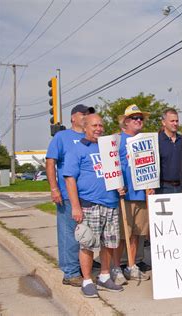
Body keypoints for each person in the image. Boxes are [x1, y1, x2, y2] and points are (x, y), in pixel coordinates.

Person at [63, 113, 123, 298]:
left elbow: (115, 172)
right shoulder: (77, 150)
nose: (98, 129)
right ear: (85, 127)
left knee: (109, 244)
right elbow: (70, 179)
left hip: (111, 203)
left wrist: (121, 187)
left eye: (101, 125)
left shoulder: (108, 148)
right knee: (87, 244)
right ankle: (87, 280)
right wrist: (75, 207)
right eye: (94, 125)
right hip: (89, 204)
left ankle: (104, 276)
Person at [46, 104, 95, 287]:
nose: (86, 117)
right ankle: (71, 272)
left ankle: (84, 267)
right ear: (73, 117)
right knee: (69, 234)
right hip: (67, 194)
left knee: (86, 234)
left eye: (88, 114)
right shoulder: (62, 137)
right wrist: (54, 188)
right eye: (83, 114)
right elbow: (50, 162)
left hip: (89, 196)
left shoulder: (90, 137)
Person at [112, 105, 152, 285]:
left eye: (140, 118)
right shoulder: (117, 140)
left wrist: (150, 186)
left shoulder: (146, 141)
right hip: (124, 195)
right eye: (134, 118)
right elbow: (111, 167)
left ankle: (131, 265)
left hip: (141, 194)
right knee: (122, 234)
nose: (138, 121)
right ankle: (115, 267)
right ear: (126, 121)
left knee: (136, 234)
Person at [157, 108, 182, 194]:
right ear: (164, 122)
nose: (175, 123)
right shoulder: (156, 141)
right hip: (163, 188)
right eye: (172, 121)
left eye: (177, 121)